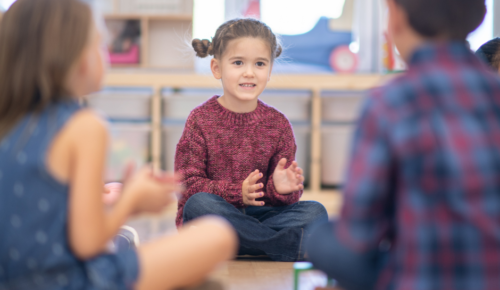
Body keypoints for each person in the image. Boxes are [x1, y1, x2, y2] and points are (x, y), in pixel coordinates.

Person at [0, 1, 237, 289]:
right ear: (75, 58)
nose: (106, 54)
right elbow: (87, 243)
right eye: (100, 44)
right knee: (217, 235)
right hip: (71, 280)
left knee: (126, 242)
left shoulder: (10, 119)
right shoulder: (85, 126)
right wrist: (130, 201)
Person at [305, 0, 500, 290]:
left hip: (418, 278)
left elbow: (358, 236)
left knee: (321, 235)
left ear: (395, 17)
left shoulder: (391, 102)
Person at [176, 18, 328, 262]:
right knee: (198, 204)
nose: (249, 72)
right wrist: (238, 193)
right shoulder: (199, 119)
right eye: (238, 63)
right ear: (217, 68)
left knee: (315, 212)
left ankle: (240, 243)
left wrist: (280, 189)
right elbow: (187, 185)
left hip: (260, 217)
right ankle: (286, 246)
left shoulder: (278, 124)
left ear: (269, 70)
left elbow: (284, 201)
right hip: (216, 215)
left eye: (259, 63)